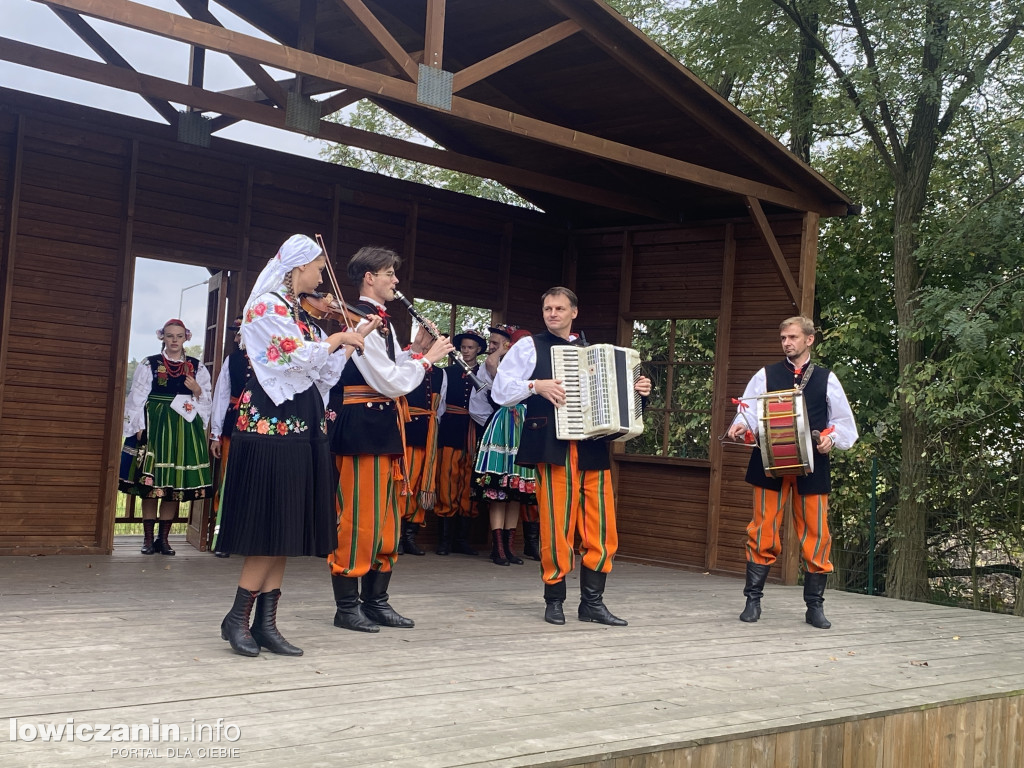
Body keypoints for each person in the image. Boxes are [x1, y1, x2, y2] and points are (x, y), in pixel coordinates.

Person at [215, 234, 376, 657]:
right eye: (319, 267)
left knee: (285, 521)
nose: (323, 277)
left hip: (300, 419)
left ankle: (266, 622)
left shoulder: (297, 313)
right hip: (270, 422)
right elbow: (290, 356)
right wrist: (336, 339)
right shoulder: (267, 305)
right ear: (299, 267)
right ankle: (237, 617)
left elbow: (320, 372)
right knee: (269, 522)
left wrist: (350, 337)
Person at [492, 287, 651, 625]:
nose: (553, 313)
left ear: (573, 312)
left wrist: (639, 393)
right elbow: (501, 392)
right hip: (554, 446)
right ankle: (555, 599)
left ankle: (592, 603)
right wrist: (536, 386)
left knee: (602, 525)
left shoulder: (595, 351)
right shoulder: (528, 345)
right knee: (556, 525)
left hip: (592, 446)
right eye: (548, 308)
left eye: (559, 308)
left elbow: (616, 400)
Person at [327, 246, 453, 633]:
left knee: (385, 520)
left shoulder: (381, 321)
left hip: (383, 428)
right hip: (360, 427)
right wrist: (429, 358)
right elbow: (388, 381)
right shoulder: (358, 319)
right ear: (370, 277)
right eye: (389, 274)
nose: (395, 282)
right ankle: (347, 607)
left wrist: (416, 350)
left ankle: (376, 601)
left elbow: (395, 366)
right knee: (358, 518)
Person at [726, 316, 858, 630]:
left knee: (816, 533)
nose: (787, 343)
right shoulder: (766, 375)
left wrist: (830, 439)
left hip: (811, 464)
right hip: (768, 462)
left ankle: (815, 607)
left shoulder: (827, 379)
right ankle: (753, 601)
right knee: (761, 529)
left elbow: (843, 424)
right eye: (784, 337)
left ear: (809, 340)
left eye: (793, 337)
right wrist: (740, 427)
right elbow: (747, 412)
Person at [120, 318, 213, 556]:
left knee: (173, 486)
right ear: (162, 337)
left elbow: (206, 400)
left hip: (183, 428)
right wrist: (139, 424)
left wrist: (197, 391)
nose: (174, 340)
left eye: (179, 336)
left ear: (186, 338)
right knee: (151, 483)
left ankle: (164, 539)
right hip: (156, 424)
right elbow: (137, 396)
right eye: (170, 336)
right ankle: (148, 539)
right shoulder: (149, 363)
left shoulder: (196, 367)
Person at [471, 326, 537, 566]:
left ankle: (509, 547)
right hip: (503, 424)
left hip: (522, 425)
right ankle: (498, 547)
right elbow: (490, 361)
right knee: (498, 490)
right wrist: (503, 348)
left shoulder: (529, 369)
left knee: (515, 492)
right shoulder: (497, 366)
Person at [433, 328, 489, 556]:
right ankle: (445, 540)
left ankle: (462, 539)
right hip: (451, 429)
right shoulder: (447, 373)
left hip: (475, 430)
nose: (466, 351)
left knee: (470, 481)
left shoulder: (485, 373)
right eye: (463, 347)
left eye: (470, 348)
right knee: (447, 479)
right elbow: (441, 406)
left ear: (478, 350)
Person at [397, 341, 446, 557]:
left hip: (427, 432)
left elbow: (440, 407)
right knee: (403, 482)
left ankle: (410, 536)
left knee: (421, 483)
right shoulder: (407, 363)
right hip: (406, 430)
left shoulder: (441, 374)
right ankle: (396, 535)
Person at [209, 314, 249, 558]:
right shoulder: (232, 360)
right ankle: (222, 537)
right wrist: (215, 433)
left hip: (262, 427)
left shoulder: (271, 359)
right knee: (228, 480)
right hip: (233, 425)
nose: (238, 335)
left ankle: (250, 537)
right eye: (237, 331)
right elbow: (222, 396)